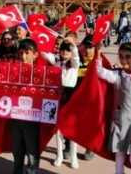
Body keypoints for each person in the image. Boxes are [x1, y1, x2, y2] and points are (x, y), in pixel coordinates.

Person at [96, 42, 131, 174]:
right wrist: (97, 52)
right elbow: (100, 71)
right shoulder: (117, 75)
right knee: (119, 155)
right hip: (119, 121)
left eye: (128, 56)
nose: (123, 59)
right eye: (121, 56)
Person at [10, 38, 42, 174]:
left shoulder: (42, 73)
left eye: (27, 52)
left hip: (32, 120)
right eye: (21, 53)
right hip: (15, 118)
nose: (23, 56)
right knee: (17, 152)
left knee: (32, 153)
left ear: (35, 54)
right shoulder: (12, 71)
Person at [51, 41, 80, 169]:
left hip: (71, 96)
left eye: (67, 51)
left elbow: (76, 57)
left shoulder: (74, 64)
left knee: (71, 129)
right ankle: (59, 155)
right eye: (62, 50)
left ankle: (73, 156)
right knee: (58, 130)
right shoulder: (57, 62)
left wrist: (72, 44)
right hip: (59, 95)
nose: (64, 53)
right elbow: (47, 55)